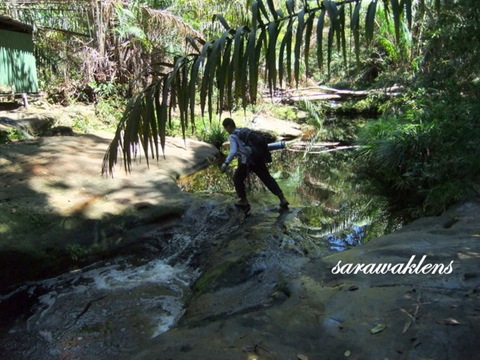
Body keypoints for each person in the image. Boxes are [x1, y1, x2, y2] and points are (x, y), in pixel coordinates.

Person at [220, 117, 289, 209]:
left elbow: (233, 151)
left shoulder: (233, 136)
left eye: (225, 128)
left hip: (247, 161)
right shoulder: (242, 131)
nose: (226, 130)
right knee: (267, 178)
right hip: (257, 157)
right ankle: (282, 198)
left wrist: (226, 163)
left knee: (237, 178)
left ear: (228, 127)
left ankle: (243, 200)